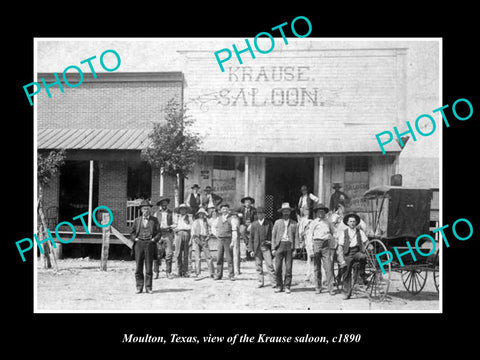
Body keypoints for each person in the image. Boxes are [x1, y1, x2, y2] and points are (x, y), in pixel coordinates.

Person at [130, 200, 161, 294]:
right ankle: (139, 287)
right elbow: (132, 233)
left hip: (149, 244)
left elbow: (159, 233)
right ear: (141, 210)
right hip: (139, 244)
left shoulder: (154, 220)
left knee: (148, 267)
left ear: (150, 210)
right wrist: (135, 239)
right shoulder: (137, 220)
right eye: (144, 209)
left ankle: (148, 287)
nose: (146, 210)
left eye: (147, 209)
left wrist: (153, 240)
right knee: (138, 266)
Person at [338, 213, 369, 300]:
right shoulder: (344, 233)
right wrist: (341, 259)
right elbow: (340, 246)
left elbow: (366, 241)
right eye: (350, 221)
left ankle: (362, 274)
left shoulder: (360, 232)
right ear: (347, 223)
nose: (352, 223)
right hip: (347, 253)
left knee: (363, 257)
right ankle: (347, 293)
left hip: (356, 252)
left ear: (356, 223)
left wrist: (369, 246)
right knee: (346, 272)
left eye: (354, 221)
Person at [307, 203, 335, 295]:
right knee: (317, 267)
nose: (321, 213)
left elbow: (333, 232)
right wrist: (311, 249)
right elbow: (310, 236)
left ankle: (330, 288)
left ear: (325, 212)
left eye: (322, 211)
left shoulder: (328, 222)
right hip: (316, 244)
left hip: (326, 245)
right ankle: (318, 287)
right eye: (319, 211)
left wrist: (334, 243)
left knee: (328, 267)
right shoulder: (314, 223)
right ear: (316, 212)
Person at [271, 202, 298, 294]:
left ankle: (287, 286)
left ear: (290, 212)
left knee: (289, 268)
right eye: (284, 211)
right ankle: (279, 286)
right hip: (280, 245)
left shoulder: (294, 223)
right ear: (282, 212)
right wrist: (273, 248)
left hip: (289, 245)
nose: (286, 213)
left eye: (287, 211)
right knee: (278, 267)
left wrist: (295, 249)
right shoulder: (277, 222)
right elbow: (273, 236)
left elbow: (296, 237)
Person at [248, 207, 275, 288]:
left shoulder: (269, 224)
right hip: (257, 248)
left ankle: (273, 282)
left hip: (265, 247)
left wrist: (270, 243)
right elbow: (251, 238)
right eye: (258, 213)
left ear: (264, 214)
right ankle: (260, 282)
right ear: (256, 214)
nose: (260, 215)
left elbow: (273, 236)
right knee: (258, 265)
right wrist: (251, 250)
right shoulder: (254, 224)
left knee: (270, 265)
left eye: (262, 213)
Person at [214, 204, 238, 281]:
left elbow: (234, 230)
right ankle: (218, 274)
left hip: (228, 239)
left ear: (228, 210)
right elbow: (213, 227)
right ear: (221, 211)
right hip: (220, 239)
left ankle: (231, 275)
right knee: (219, 257)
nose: (224, 210)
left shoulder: (232, 219)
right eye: (223, 209)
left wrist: (233, 241)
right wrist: (216, 234)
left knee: (229, 258)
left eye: (226, 209)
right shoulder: (218, 218)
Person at [153, 197, 174, 279]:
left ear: (167, 205)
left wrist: (169, 226)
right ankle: (156, 272)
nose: (164, 206)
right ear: (160, 205)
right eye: (162, 205)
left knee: (169, 254)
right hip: (159, 234)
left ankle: (168, 272)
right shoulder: (156, 213)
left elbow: (175, 223)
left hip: (168, 234)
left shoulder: (171, 213)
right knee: (157, 254)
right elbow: (153, 224)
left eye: (165, 204)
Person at [191, 208, 215, 278]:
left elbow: (211, 229)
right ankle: (198, 272)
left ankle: (212, 272)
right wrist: (195, 238)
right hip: (198, 238)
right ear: (198, 215)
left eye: (203, 214)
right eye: (200, 214)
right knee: (197, 256)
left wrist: (209, 236)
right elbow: (193, 230)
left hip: (204, 238)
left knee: (208, 256)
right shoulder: (195, 221)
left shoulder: (207, 221)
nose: (201, 215)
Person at [172, 203, 193, 277]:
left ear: (186, 210)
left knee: (186, 253)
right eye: (181, 209)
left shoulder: (189, 218)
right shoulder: (177, 217)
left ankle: (186, 271)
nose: (182, 210)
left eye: (184, 209)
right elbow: (174, 226)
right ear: (179, 210)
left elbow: (192, 227)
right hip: (179, 234)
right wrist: (175, 230)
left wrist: (191, 238)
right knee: (178, 253)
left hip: (187, 234)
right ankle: (179, 270)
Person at [238, 196, 257, 268]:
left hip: (251, 224)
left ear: (251, 203)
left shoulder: (254, 210)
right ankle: (248, 245)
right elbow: (233, 211)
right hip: (243, 224)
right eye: (246, 202)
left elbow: (255, 219)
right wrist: (238, 214)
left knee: (253, 234)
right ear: (244, 203)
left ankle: (250, 251)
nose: (247, 204)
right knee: (242, 230)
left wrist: (251, 224)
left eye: (249, 202)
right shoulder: (241, 208)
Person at [297, 207, 314, 283]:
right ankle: (308, 274)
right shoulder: (302, 220)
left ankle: (314, 274)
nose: (306, 211)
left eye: (307, 210)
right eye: (304, 210)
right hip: (308, 240)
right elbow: (300, 232)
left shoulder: (313, 219)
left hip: (314, 239)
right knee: (309, 258)